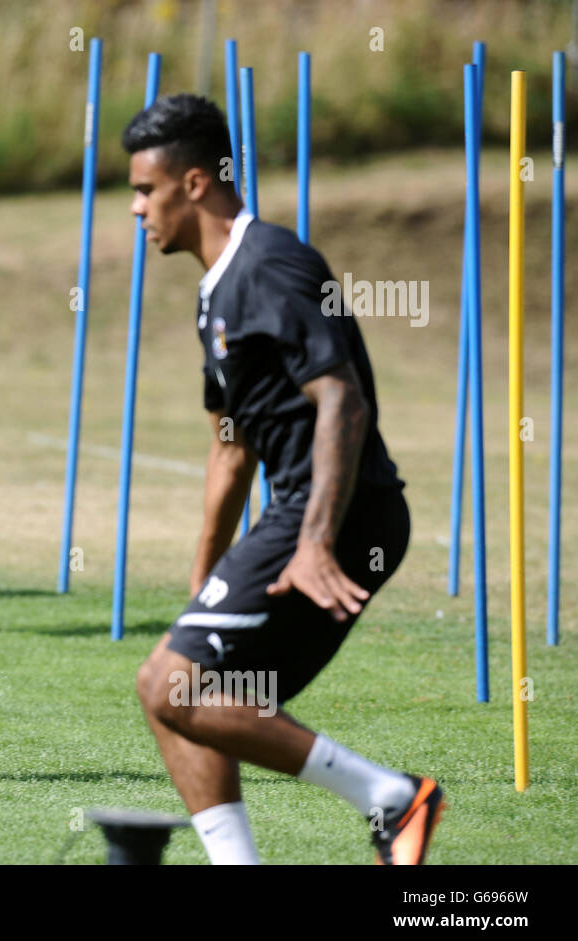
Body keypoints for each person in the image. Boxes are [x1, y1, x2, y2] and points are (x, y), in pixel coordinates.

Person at [124, 95, 443, 864]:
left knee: (173, 687)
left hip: (344, 517)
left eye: (144, 190)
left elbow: (342, 397)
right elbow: (230, 447)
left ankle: (393, 798)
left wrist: (314, 541)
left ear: (194, 182)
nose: (135, 210)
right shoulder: (214, 293)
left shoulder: (270, 263)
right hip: (306, 518)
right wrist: (203, 580)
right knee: (177, 696)